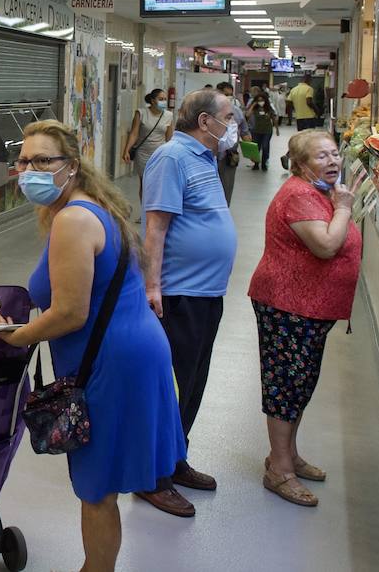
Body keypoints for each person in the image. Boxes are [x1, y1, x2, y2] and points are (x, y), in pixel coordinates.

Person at [0, 120, 184, 572]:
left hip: (113, 363)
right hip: (129, 349)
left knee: (97, 489)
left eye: (42, 160)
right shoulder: (86, 207)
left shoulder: (73, 220)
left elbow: (71, 312)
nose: (29, 169)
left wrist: (14, 338)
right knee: (103, 482)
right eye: (23, 160)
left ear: (70, 166)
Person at [136, 88, 238, 517]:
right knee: (171, 387)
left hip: (206, 294)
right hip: (178, 295)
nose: (233, 124)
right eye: (228, 116)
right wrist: (151, 287)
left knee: (192, 385)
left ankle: (175, 459)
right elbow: (155, 227)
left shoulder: (203, 157)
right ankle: (151, 477)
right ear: (204, 121)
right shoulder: (171, 158)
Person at [247, 131, 363, 507]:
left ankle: (288, 455)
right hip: (288, 306)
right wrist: (345, 207)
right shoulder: (299, 195)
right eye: (320, 157)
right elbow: (327, 245)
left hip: (310, 307)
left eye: (334, 154)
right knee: (285, 385)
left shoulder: (320, 191)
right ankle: (279, 470)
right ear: (299, 164)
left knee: (301, 383)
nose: (332, 162)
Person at [120, 88, 173, 199]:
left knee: (157, 183)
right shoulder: (141, 113)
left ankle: (154, 210)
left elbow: (169, 138)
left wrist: (172, 155)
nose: (164, 101)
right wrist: (126, 150)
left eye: (165, 99)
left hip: (160, 154)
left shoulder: (168, 115)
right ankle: (144, 212)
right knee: (145, 183)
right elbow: (134, 134)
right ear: (153, 101)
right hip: (143, 154)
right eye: (161, 99)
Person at [215, 82, 249, 205]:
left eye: (230, 95)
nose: (228, 97)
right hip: (210, 155)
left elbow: (245, 132)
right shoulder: (208, 111)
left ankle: (223, 213)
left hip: (229, 156)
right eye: (225, 94)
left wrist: (249, 147)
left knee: (226, 188)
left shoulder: (236, 112)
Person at [247, 90, 279, 171]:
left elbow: (274, 118)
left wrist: (277, 129)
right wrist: (253, 105)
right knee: (256, 148)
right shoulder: (255, 108)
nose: (260, 102)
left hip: (267, 131)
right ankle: (256, 163)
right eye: (259, 100)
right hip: (256, 130)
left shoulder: (269, 108)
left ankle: (264, 163)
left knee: (265, 146)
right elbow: (247, 114)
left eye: (262, 100)